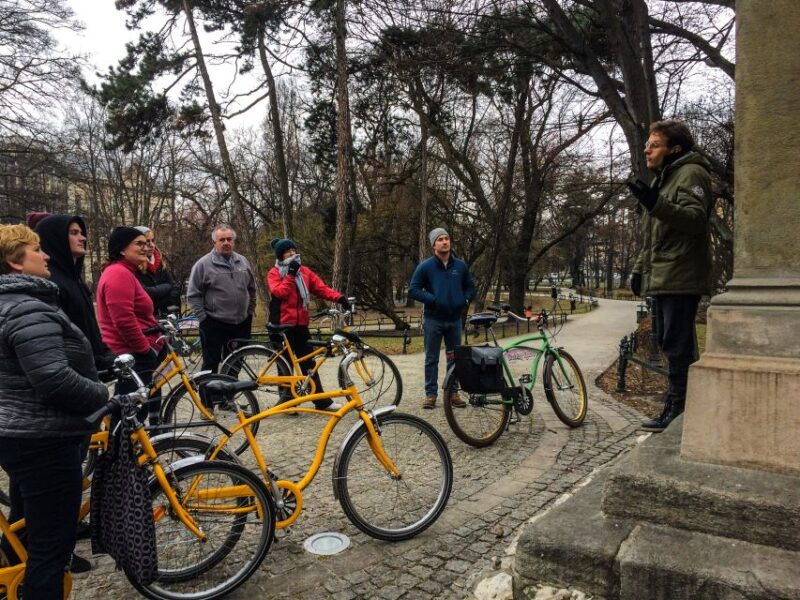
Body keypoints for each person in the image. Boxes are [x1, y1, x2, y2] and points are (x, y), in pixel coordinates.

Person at [0, 224, 108, 598]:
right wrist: (101, 394)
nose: (46, 256)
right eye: (36, 250)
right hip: (42, 438)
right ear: (16, 262)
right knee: (52, 547)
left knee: (28, 529)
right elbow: (54, 379)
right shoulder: (27, 308)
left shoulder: (13, 304)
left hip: (20, 432)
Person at [626, 119, 712, 433]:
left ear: (674, 149)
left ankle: (680, 409)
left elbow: (694, 220)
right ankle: (680, 403)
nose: (647, 149)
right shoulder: (667, 177)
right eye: (648, 144)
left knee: (677, 344)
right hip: (663, 274)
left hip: (680, 274)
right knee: (668, 341)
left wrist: (654, 202)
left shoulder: (691, 174)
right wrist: (638, 270)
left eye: (655, 144)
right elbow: (654, 238)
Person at [267, 238, 351, 411]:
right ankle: (287, 402)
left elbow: (320, 288)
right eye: (287, 251)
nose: (291, 253)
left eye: (293, 250)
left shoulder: (304, 271)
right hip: (281, 325)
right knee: (285, 364)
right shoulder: (274, 273)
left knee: (309, 363)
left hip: (300, 324)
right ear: (280, 255)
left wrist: (339, 298)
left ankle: (321, 401)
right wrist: (290, 275)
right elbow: (280, 292)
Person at [96, 227, 164, 425]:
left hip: (134, 352)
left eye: (147, 243)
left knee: (132, 412)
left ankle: (126, 451)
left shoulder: (126, 272)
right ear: (122, 249)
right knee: (129, 416)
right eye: (139, 244)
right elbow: (123, 321)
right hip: (131, 354)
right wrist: (145, 350)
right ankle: (122, 454)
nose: (146, 248)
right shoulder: (118, 274)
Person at [34, 214, 116, 375]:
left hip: (89, 368)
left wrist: (104, 355)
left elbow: (88, 326)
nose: (83, 238)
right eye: (74, 233)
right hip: (74, 373)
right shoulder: (51, 282)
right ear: (55, 238)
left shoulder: (74, 279)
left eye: (81, 232)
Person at [409, 227, 475, 409]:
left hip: (454, 320)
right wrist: (433, 300)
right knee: (431, 358)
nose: (445, 242)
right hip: (433, 320)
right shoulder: (425, 267)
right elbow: (413, 289)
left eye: (446, 238)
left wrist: (465, 299)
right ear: (434, 245)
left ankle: (453, 393)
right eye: (440, 239)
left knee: (454, 357)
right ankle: (431, 394)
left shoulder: (460, 266)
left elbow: (470, 287)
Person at [187, 225, 257, 373]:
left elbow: (252, 288)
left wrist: (249, 312)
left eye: (229, 239)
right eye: (222, 240)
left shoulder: (243, 261)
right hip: (214, 323)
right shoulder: (203, 265)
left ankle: (228, 395)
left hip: (241, 323)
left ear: (234, 241)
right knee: (211, 365)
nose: (226, 243)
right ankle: (208, 396)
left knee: (235, 364)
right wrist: (203, 319)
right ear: (214, 242)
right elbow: (193, 295)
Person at [133, 225, 181, 318]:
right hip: (147, 319)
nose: (151, 245)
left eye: (152, 240)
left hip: (167, 316)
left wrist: (161, 299)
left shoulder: (161, 263)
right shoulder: (134, 268)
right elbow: (146, 293)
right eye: (147, 242)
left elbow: (175, 288)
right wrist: (167, 287)